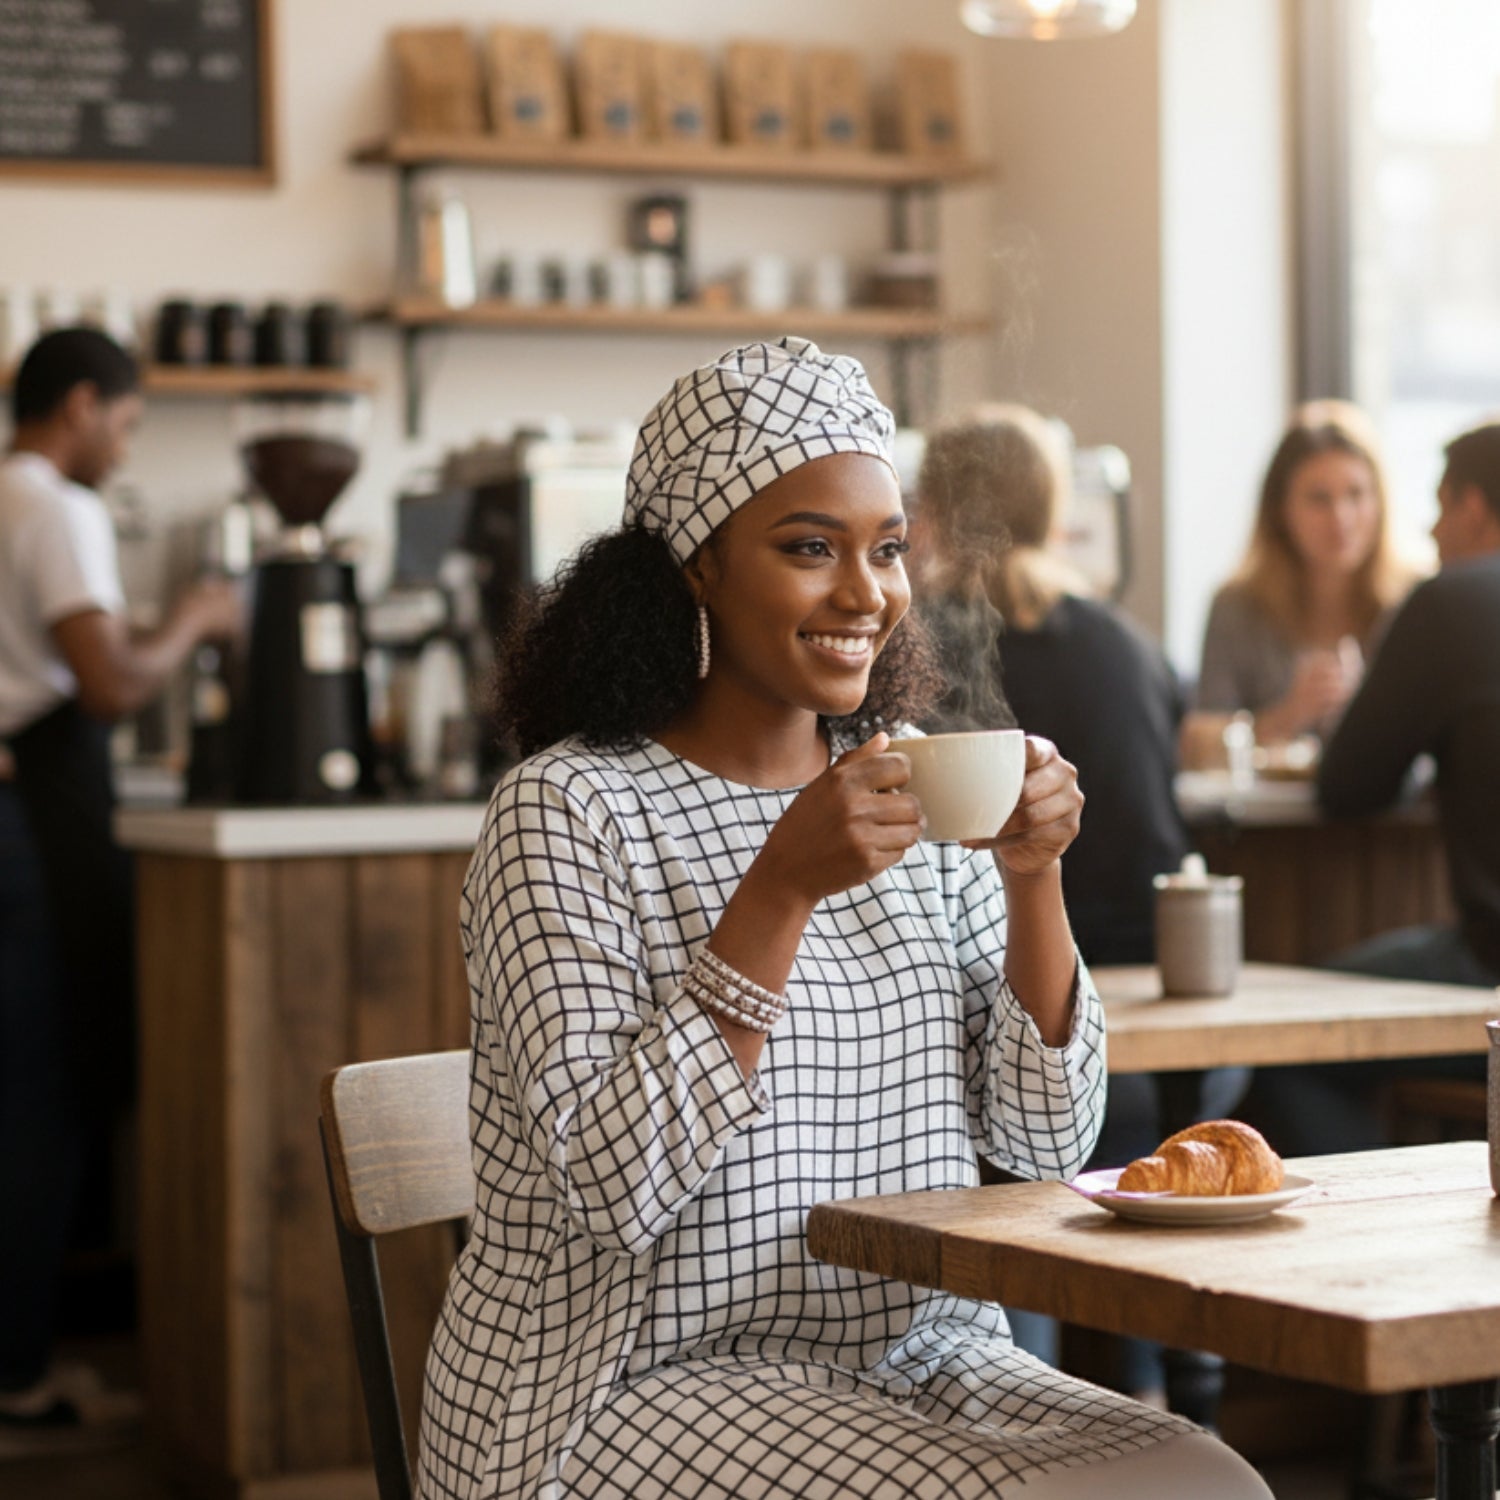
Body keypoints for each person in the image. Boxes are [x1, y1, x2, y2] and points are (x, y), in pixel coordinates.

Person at [420, 339, 1270, 1500]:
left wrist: (1032, 878)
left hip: (918, 1354)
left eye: (886, 551)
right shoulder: (569, 811)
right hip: (623, 1385)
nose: (865, 593)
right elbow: (617, 1194)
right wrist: (777, 891)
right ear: (694, 566)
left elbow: (1044, 1143)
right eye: (810, 549)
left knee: (1207, 1484)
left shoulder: (911, 790)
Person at [913, 403, 1246, 1409]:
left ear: (931, 509)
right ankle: (1141, 1385)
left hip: (1039, 1035)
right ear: (1057, 511)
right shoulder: (1127, 643)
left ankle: (1035, 1384)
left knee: (1000, 1165)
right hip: (1174, 1046)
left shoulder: (911, 650)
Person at [0, 328, 240, 1437]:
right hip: (34, 826)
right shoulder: (57, 505)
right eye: (128, 424)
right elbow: (104, 684)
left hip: (24, 806)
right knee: (43, 1095)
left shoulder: (8, 496)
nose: (125, 448)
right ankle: (20, 1373)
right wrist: (198, 617)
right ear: (84, 404)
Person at [1242, 420, 1500, 1158]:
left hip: (1489, 969)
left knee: (1290, 1036)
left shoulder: (1451, 600)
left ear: (1474, 508)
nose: (1431, 528)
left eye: (1440, 507)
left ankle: (1342, 1257)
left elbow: (1349, 785)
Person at [1181, 400, 1417, 768]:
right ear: (1280, 509)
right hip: (1265, 823)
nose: (1341, 518)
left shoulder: (1414, 600)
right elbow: (1195, 746)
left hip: (1389, 822)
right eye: (1318, 499)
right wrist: (1286, 716)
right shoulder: (1237, 605)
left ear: (1380, 502)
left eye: (1356, 495)